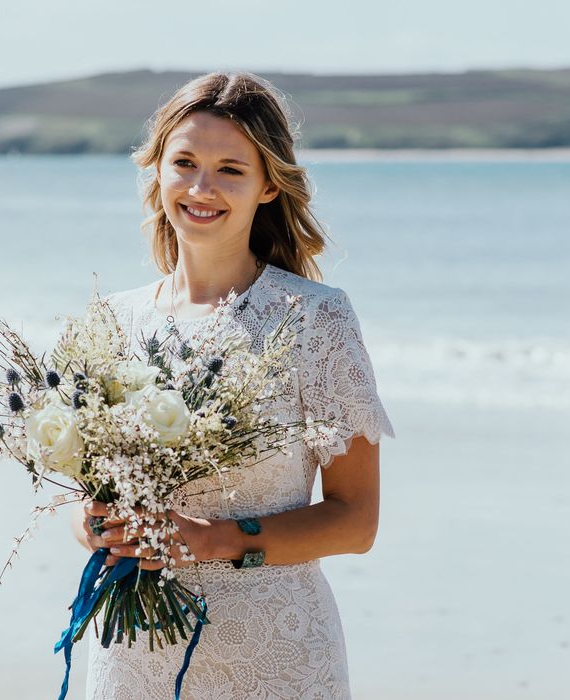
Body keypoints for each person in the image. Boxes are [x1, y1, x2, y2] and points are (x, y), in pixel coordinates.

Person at [70, 70, 396, 699]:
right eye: (184, 161)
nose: (201, 187)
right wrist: (95, 525)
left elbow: (357, 521)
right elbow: (86, 498)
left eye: (230, 169)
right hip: (133, 653)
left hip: (274, 652)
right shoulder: (112, 321)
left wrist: (216, 540)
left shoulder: (315, 319)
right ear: (156, 170)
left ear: (269, 185)